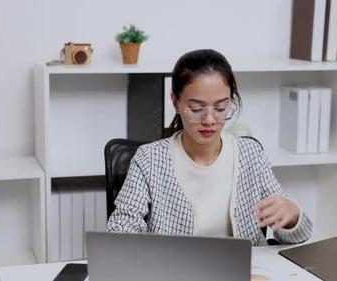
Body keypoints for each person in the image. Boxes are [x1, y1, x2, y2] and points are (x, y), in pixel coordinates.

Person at [106, 49, 312, 245]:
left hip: (245, 272)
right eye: (196, 109)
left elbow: (293, 236)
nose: (210, 120)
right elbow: (121, 229)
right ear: (175, 102)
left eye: (221, 108)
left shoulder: (251, 155)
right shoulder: (149, 159)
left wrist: (292, 216)